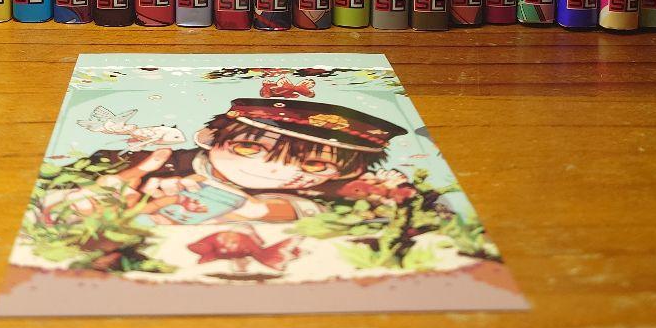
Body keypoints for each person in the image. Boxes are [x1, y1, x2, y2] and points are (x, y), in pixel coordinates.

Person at [49, 97, 407, 224]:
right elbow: (60, 188)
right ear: (210, 139)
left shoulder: (348, 192)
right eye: (250, 149)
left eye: (314, 165)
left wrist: (255, 210)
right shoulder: (143, 161)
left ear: (351, 169)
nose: (277, 169)